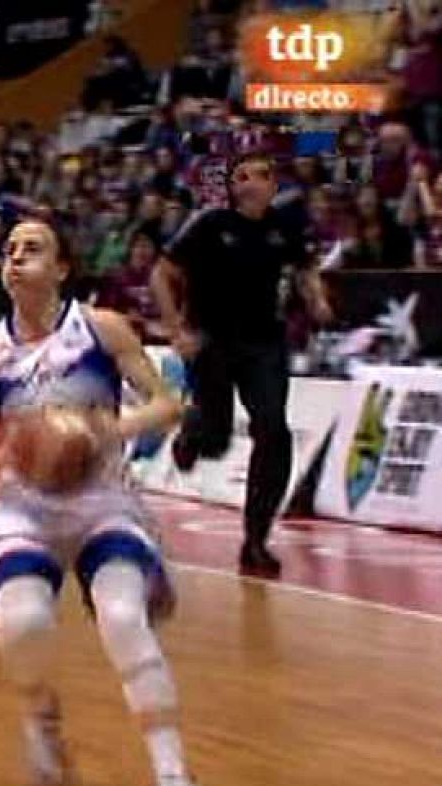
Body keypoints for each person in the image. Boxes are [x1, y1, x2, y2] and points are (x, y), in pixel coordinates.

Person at [0, 218, 199, 786]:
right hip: (24, 506)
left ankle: (171, 772)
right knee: (25, 624)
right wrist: (8, 451)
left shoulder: (101, 328)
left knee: (121, 620)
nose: (15, 258)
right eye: (8, 250)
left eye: (32, 249)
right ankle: (41, 715)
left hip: (102, 500)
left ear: (61, 269)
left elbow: (168, 402)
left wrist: (111, 429)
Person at [152, 152, 334, 578]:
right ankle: (193, 435)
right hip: (212, 339)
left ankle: (256, 540)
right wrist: (176, 328)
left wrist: (317, 299)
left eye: (261, 175)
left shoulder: (284, 227)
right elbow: (162, 274)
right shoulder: (210, 224)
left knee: (273, 429)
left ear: (273, 185)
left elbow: (305, 269)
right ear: (232, 187)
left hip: (265, 343)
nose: (251, 183)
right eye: (242, 176)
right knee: (215, 436)